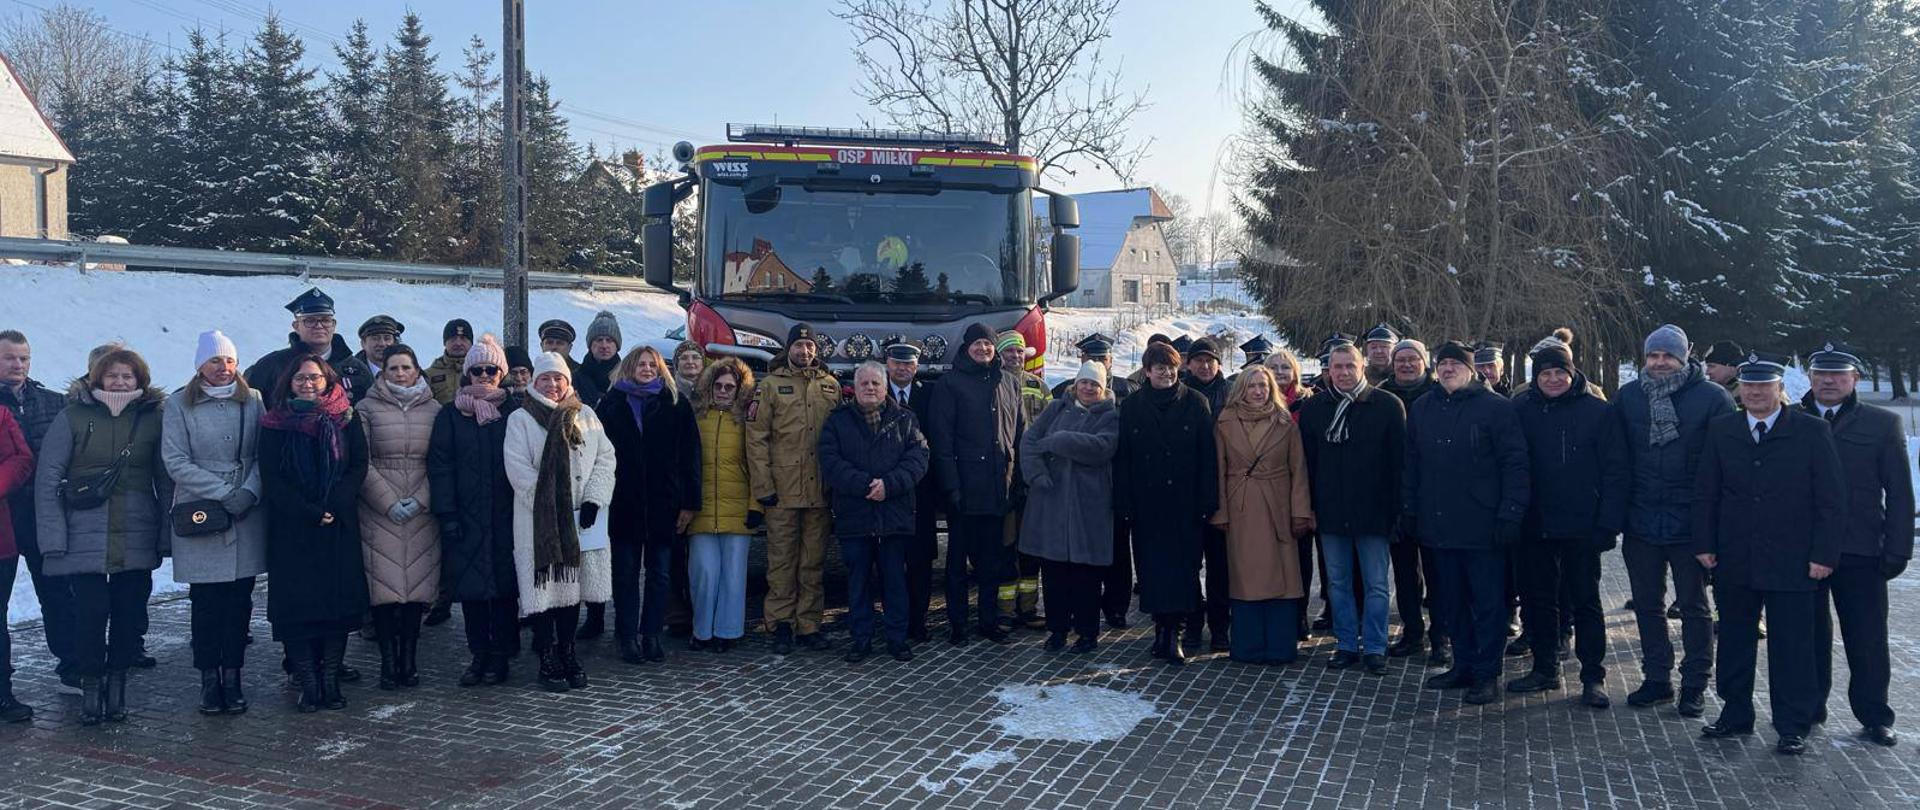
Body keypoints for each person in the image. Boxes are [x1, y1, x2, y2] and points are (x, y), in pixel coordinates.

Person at [1694, 352, 1844, 756]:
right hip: (1735, 557)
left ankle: (1792, 723)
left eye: (1765, 386)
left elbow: (1830, 500)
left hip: (1793, 559)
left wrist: (1823, 553)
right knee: (1735, 640)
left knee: (1793, 645)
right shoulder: (1722, 429)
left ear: (1781, 390)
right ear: (1740, 390)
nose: (1756, 393)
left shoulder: (1811, 432)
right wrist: (1704, 544)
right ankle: (1735, 711)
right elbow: (1707, 492)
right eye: (1749, 386)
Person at [35, 346, 169, 725]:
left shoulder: (152, 418)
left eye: (127, 375)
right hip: (84, 533)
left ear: (139, 379)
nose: (120, 382)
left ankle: (118, 686)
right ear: (97, 377)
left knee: (129, 616)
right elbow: (48, 481)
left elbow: (165, 479)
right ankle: (91, 684)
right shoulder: (72, 417)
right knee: (90, 614)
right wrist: (53, 539)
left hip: (136, 532)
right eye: (112, 375)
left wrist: (166, 534)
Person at [1613, 324, 1733, 717]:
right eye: (1654, 355)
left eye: (1668, 355)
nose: (1660, 362)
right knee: (1647, 605)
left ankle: (1695, 683)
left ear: (1684, 357)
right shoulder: (1629, 397)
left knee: (1695, 607)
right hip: (1642, 519)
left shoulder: (1712, 398)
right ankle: (1657, 678)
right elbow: (1617, 460)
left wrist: (1714, 526)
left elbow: (1724, 466)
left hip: (1691, 522)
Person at [1404, 341, 1529, 705]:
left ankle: (1487, 673)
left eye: (1454, 364)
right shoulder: (1423, 407)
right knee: (1450, 601)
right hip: (1438, 523)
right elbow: (1411, 463)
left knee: (1488, 603)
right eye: (1441, 364)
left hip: (1483, 525)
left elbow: (1515, 464)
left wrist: (1510, 513)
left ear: (1470, 369)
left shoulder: (1496, 409)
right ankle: (1463, 663)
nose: (1446, 369)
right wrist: (1410, 507)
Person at [1800, 342, 1910, 747]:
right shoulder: (1791, 420)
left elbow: (1899, 491)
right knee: (1809, 635)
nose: (1829, 381)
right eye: (1821, 373)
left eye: (1838, 374)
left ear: (1854, 379)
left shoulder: (1881, 424)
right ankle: (1810, 706)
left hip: (1861, 549)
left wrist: (1897, 549)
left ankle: (1874, 713)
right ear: (1810, 378)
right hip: (1804, 550)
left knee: (1866, 638)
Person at [1507, 336, 1627, 708]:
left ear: (1572, 373)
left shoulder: (1598, 412)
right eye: (1546, 372)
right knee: (1539, 601)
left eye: (1561, 371)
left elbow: (1616, 471)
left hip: (1582, 525)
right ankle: (1545, 667)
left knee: (1586, 601)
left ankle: (1593, 676)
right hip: (1536, 524)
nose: (1554, 379)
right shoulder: (1521, 410)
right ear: (1536, 376)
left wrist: (1608, 524)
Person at [161, 330, 267, 715]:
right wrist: (224, 492)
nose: (223, 369)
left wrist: (250, 491)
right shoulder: (178, 404)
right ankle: (209, 678)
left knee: (240, 602)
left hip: (246, 513)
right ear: (199, 366)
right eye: (214, 361)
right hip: (202, 511)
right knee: (205, 603)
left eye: (229, 361)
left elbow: (262, 453)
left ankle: (234, 676)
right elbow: (175, 461)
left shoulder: (252, 400)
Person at [258, 354, 370, 713]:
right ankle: (308, 682)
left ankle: (331, 679)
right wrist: (308, 510)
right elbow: (272, 477)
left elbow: (358, 465)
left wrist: (335, 504)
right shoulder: (274, 423)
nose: (308, 383)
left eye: (315, 378)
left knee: (336, 606)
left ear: (328, 380)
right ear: (288, 382)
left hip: (338, 523)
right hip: (294, 529)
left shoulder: (345, 417)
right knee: (299, 609)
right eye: (301, 379)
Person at [505, 353, 617, 693]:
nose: (553, 385)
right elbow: (517, 468)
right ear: (534, 382)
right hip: (538, 520)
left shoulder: (587, 415)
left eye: (558, 379)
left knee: (572, 588)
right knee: (545, 590)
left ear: (567, 381)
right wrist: (547, 503)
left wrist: (595, 498)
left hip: (581, 519)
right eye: (545, 379)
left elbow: (605, 457)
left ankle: (568, 651)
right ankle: (547, 655)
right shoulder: (521, 419)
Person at [1296, 341, 1404, 675]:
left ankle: (1374, 646)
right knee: (1338, 584)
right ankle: (1345, 644)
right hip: (1331, 512)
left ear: (1362, 367)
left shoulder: (1387, 405)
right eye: (1337, 367)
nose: (1343, 373)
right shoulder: (1316, 409)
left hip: (1373, 511)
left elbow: (1399, 464)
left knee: (1376, 584)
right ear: (1328, 370)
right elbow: (1307, 465)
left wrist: (1397, 510)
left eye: (1350, 366)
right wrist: (1310, 507)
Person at [819, 362, 929, 663]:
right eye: (864, 383)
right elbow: (830, 460)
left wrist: (889, 485)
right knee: (858, 584)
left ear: (885, 387)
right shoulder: (837, 421)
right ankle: (861, 639)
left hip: (894, 517)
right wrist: (865, 485)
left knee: (895, 582)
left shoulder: (906, 419)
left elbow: (919, 459)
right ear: (855, 387)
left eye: (875, 384)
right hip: (855, 516)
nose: (870, 388)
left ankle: (897, 639)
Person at [1117, 341, 1218, 665]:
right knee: (1151, 570)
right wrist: (1125, 503)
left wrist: (1207, 500)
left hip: (1184, 503)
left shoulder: (1196, 402)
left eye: (1172, 367)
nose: (1167, 373)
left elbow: (1208, 458)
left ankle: (1175, 632)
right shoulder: (1132, 406)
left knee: (1184, 569)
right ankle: (1161, 630)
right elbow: (1124, 460)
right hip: (1148, 503)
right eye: (1160, 368)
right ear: (1147, 371)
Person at [598, 345, 700, 665]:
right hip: (623, 503)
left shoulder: (675, 403)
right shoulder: (611, 404)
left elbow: (690, 457)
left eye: (652, 365)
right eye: (641, 364)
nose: (646, 369)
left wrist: (689, 503)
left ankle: (651, 633)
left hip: (663, 504)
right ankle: (627, 635)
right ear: (629, 367)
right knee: (625, 574)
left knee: (660, 574)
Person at [428, 335, 520, 687]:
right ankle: (478, 654)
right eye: (478, 369)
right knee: (472, 591)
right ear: (468, 372)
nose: (485, 375)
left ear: (502, 373)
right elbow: (440, 466)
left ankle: (501, 655)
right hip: (465, 515)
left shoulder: (513, 411)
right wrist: (447, 514)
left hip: (505, 513)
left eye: (491, 369)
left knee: (503, 588)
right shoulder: (451, 415)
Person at [928, 323, 1026, 647]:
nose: (982, 349)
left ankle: (988, 621)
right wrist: (951, 488)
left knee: (991, 564)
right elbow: (941, 442)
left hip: (1000, 488)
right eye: (976, 344)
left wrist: (1017, 482)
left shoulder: (1008, 383)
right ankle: (958, 624)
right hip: (965, 491)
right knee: (957, 565)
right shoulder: (950, 384)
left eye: (987, 344)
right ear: (966, 348)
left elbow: (1020, 436)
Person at [746, 324, 842, 654]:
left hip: (819, 491)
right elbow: (756, 439)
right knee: (781, 561)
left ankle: (809, 624)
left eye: (809, 346)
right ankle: (781, 624)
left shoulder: (830, 386)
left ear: (816, 350)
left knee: (813, 562)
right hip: (782, 491)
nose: (804, 351)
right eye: (798, 346)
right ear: (788, 349)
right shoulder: (770, 386)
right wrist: (763, 487)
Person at [1211, 365, 1314, 665]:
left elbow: (1299, 471)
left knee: (1282, 575)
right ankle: (1248, 646)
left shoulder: (1285, 422)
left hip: (1277, 506)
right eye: (1252, 386)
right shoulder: (1225, 422)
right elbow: (1218, 469)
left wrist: (1300, 512)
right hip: (1241, 507)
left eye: (1264, 386)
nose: (1258, 391)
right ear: (1241, 389)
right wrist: (1220, 511)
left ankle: (1280, 645)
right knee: (1245, 576)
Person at [356, 344, 443, 690]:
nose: (401, 374)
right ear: (383, 372)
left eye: (407, 367)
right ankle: (388, 663)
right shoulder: (366, 408)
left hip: (421, 511)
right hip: (380, 510)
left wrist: (421, 499)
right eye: (393, 368)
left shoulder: (435, 409)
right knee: (384, 591)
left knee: (415, 593)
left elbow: (441, 461)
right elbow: (360, 460)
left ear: (417, 370)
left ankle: (409, 659)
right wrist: (388, 501)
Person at [1018, 361, 1120, 654]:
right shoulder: (1056, 409)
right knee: (1053, 575)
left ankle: (1087, 633)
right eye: (1084, 383)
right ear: (1076, 384)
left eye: (1094, 385)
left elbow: (1101, 448)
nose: (1088, 388)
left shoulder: (1109, 416)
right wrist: (1036, 474)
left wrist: (1059, 441)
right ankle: (1057, 630)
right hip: (1052, 504)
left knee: (1086, 577)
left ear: (1103, 389)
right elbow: (1030, 442)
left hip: (1090, 507)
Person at [0, 330, 81, 695]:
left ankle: (72, 664)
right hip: (4, 515)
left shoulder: (53, 402)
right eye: (9, 358)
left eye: (24, 358)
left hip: (43, 514)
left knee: (57, 594)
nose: (18, 365)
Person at [1379, 337, 1447, 665]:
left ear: (1425, 363)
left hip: (1434, 496)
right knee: (1405, 573)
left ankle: (1442, 637)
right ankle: (1412, 633)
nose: (1406, 364)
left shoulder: (1439, 395)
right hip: (1394, 497)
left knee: (1438, 573)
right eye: (1401, 359)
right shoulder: (1380, 396)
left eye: (1413, 359)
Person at [686, 358, 754, 652]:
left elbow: (757, 466)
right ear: (709, 386)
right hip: (701, 509)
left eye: (730, 386)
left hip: (738, 508)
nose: (724, 391)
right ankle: (702, 631)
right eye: (719, 385)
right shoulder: (696, 418)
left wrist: (756, 506)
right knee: (703, 573)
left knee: (733, 576)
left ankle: (728, 631)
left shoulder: (747, 421)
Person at [883, 342, 941, 642]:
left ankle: (918, 622)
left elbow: (939, 441)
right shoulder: (877, 394)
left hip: (922, 493)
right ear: (887, 364)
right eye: (897, 363)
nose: (903, 369)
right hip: (888, 494)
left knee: (920, 562)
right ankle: (893, 620)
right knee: (890, 562)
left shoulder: (929, 395)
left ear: (916, 367)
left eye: (909, 364)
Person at [1179, 336, 1232, 651]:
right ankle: (1193, 625)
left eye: (1209, 359)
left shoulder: (1232, 395)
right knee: (1189, 565)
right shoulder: (1180, 394)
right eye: (1198, 360)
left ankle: (1221, 626)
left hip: (1225, 491)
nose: (1204, 365)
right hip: (1188, 493)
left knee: (1221, 567)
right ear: (1188, 364)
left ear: (1219, 363)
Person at [997, 331, 1049, 630]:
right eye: (1009, 352)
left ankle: (1028, 609)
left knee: (1031, 549)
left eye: (1019, 352)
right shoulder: (994, 384)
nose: (1015, 357)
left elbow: (1050, 428)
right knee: (1006, 546)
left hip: (1032, 478)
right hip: (1006, 479)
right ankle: (1004, 610)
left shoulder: (1039, 387)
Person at [244, 288, 374, 402]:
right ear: (296, 326)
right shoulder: (271, 366)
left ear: (334, 325)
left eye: (325, 320)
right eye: (310, 320)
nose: (319, 326)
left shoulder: (356, 369)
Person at [345, 315, 404, 403]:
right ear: (363, 344)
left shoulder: (411, 373)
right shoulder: (348, 376)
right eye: (375, 338)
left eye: (387, 338)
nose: (382, 343)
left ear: (395, 343)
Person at [574, 311, 622, 407]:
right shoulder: (575, 379)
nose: (604, 346)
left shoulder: (627, 377)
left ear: (617, 346)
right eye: (599, 340)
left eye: (609, 340)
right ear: (590, 345)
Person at [425, 319, 474, 404]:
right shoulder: (428, 375)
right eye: (453, 339)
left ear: (471, 343)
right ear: (444, 342)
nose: (458, 343)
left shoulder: (483, 371)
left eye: (463, 338)